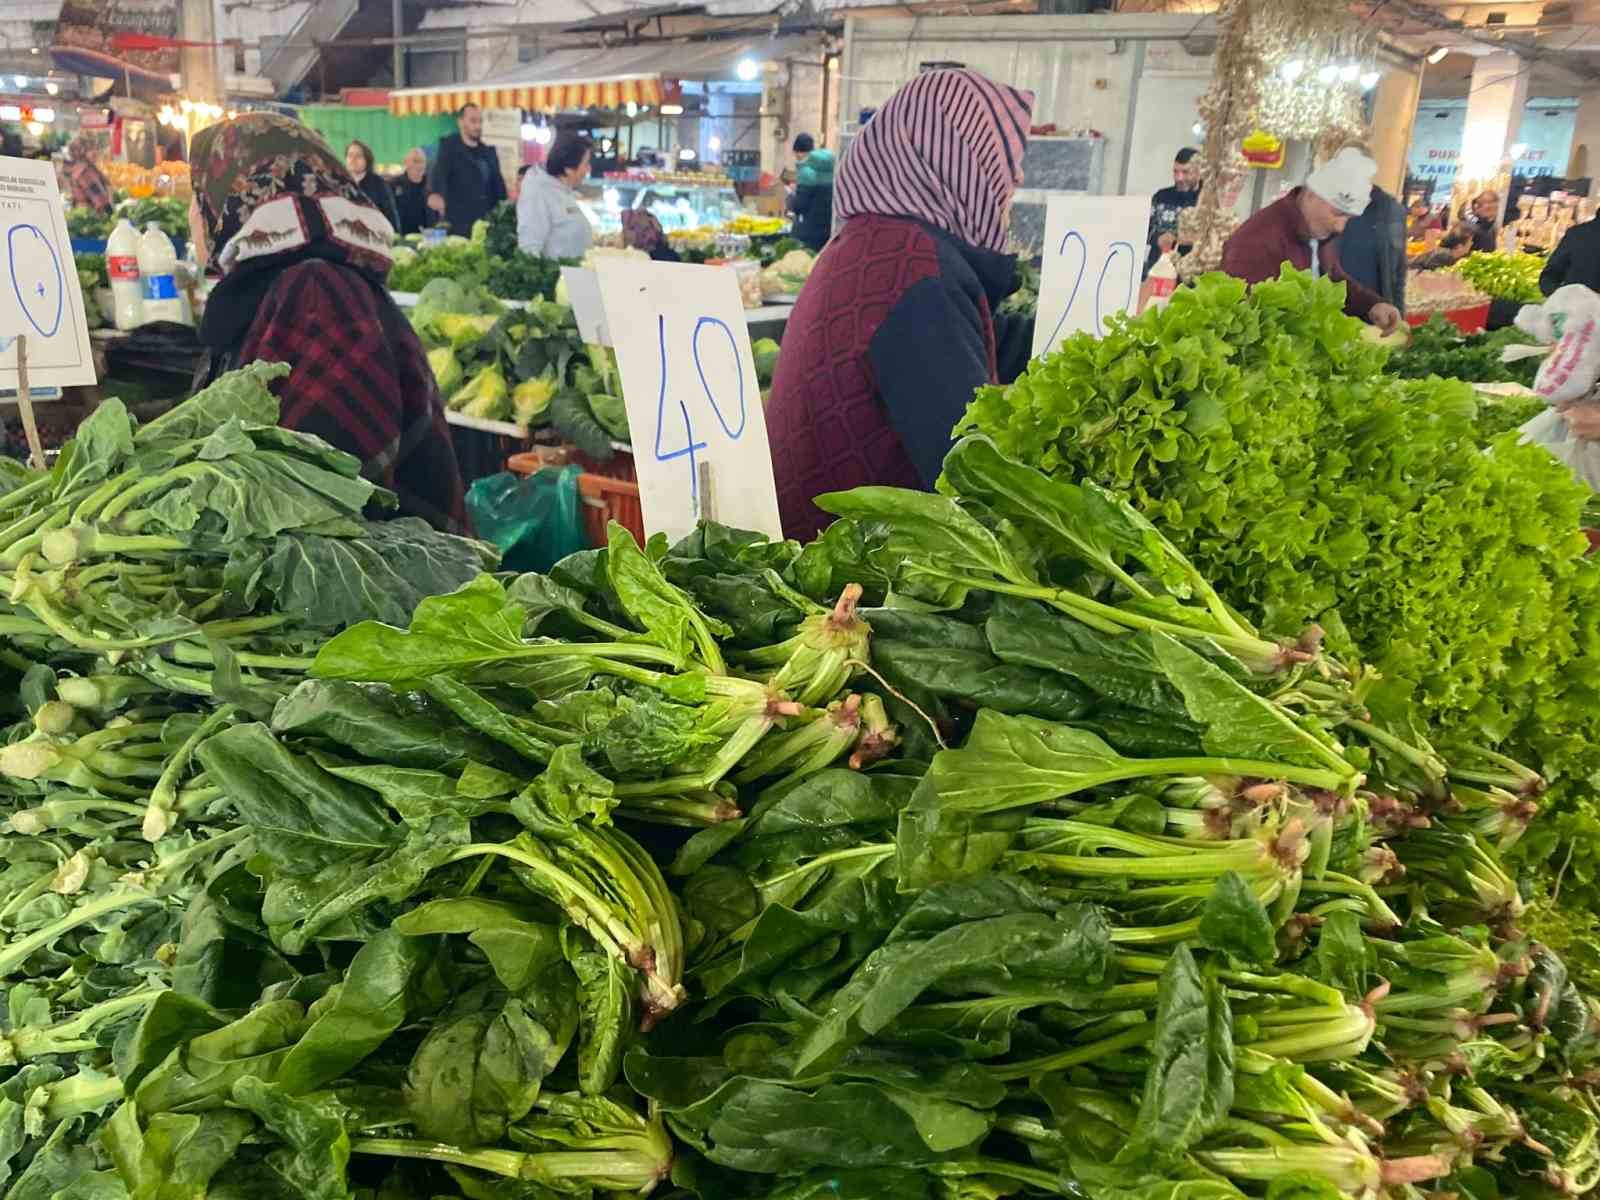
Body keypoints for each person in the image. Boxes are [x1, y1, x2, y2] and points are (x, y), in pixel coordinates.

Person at [766, 68, 1036, 541]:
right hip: (848, 587)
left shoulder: (874, 242)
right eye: (999, 158)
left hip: (817, 553)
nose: (1013, 178)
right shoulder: (913, 271)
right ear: (957, 163)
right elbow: (975, 481)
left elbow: (965, 342)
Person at [188, 113, 467, 534]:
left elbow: (323, 512)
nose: (192, 212)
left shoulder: (317, 295)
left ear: (233, 199)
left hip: (378, 592)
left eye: (197, 195)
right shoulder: (277, 288)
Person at [1220, 147, 1403, 332]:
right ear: (1311, 195)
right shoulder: (1257, 241)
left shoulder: (1318, 232)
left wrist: (1372, 306)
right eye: (1338, 213)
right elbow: (1242, 321)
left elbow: (1332, 279)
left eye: (1348, 218)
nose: (1340, 227)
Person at [1327, 141, 1407, 311]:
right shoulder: (1326, 205)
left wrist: (1398, 314)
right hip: (1329, 309)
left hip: (1374, 313)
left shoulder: (1390, 210)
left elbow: (1398, 270)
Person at [427, 104, 507, 234]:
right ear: (460, 122)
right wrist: (435, 193)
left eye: (480, 121)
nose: (478, 126)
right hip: (458, 226)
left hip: (486, 225)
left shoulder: (488, 152)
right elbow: (438, 176)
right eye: (473, 121)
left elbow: (499, 188)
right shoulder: (448, 148)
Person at [517, 133, 593, 260]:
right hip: (559, 277)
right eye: (586, 164)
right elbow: (529, 248)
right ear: (569, 168)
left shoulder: (563, 190)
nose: (588, 169)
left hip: (575, 275)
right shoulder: (538, 192)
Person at [1145, 146, 1201, 275]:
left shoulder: (1207, 201)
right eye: (1175, 172)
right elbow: (1143, 230)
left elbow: (1217, 239)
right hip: (1157, 270)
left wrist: (1183, 239)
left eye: (1185, 172)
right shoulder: (1161, 196)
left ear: (1199, 172)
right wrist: (1157, 239)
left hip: (1191, 275)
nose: (1179, 178)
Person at [788, 133, 835, 252]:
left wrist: (791, 195)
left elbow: (799, 206)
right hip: (827, 231)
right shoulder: (831, 169)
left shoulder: (806, 172)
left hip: (807, 234)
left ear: (798, 152)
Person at [344, 140, 400, 231]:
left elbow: (391, 214)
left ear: (367, 160)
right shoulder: (340, 182)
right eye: (350, 155)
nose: (353, 159)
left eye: (358, 156)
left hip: (374, 235)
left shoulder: (379, 184)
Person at [1540, 213, 1600, 294]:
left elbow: (1548, 278)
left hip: (1573, 302)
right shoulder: (1578, 234)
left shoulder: (1577, 233)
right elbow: (1549, 277)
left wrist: (1561, 297)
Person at [391, 147, 436, 236]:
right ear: (406, 163)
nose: (420, 165)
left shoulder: (433, 186)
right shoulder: (393, 185)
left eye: (423, 162)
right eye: (415, 161)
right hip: (402, 237)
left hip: (428, 238)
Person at [1440, 190, 1501, 256]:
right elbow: (1443, 249)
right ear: (1477, 207)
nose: (1492, 214)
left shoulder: (1491, 228)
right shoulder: (1465, 227)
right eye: (1488, 209)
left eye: (1495, 209)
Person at [63, 132, 112, 213]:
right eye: (90, 149)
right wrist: (111, 214)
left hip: (81, 214)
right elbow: (101, 201)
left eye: (96, 148)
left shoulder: (75, 167)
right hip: (92, 215)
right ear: (80, 151)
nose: (95, 152)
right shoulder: (85, 171)